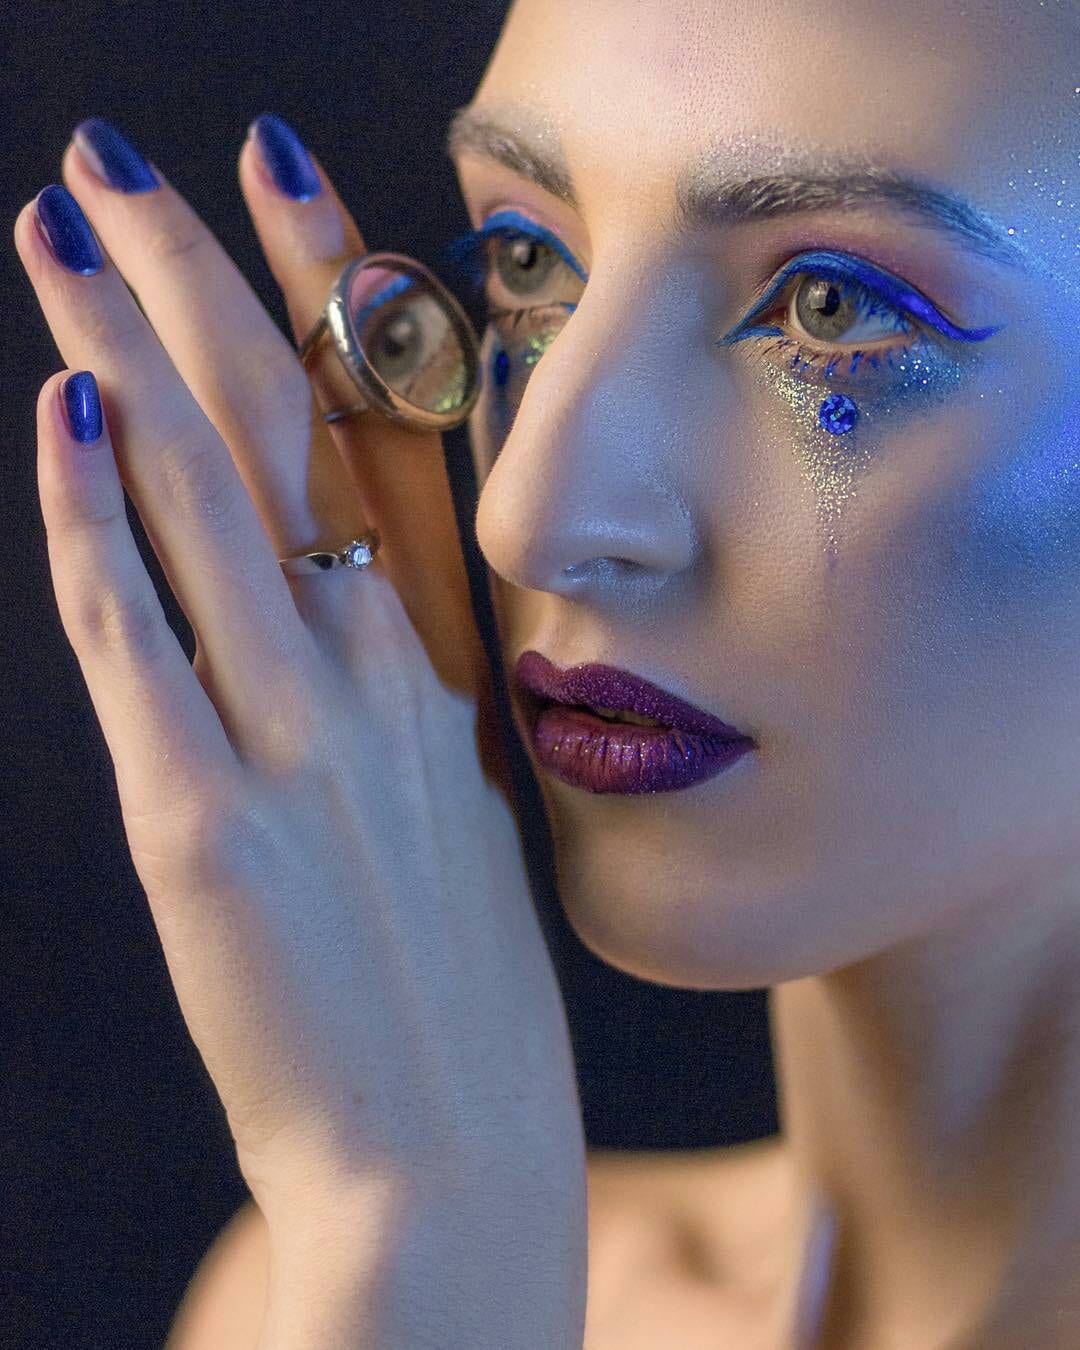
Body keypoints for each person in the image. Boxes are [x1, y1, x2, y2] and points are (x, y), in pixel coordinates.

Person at [14, 0, 1078, 1346]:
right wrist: (409, 1234)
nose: (525, 509)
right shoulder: (340, 1280)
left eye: (831, 305)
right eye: (526, 258)